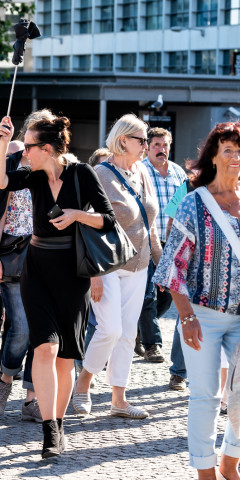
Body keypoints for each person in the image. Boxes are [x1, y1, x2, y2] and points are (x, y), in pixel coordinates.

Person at [153, 121, 240, 480]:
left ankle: (230, 465)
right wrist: (186, 316)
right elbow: (171, 266)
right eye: (228, 150)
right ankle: (205, 473)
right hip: (202, 314)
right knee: (206, 396)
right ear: (213, 155)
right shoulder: (194, 201)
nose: (236, 158)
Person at [0, 112, 116, 458]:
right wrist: (3, 141)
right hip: (37, 268)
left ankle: (59, 424)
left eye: (28, 147)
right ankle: (49, 431)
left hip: (73, 272)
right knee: (44, 348)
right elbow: (1, 180)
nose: (25, 154)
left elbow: (107, 219)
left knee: (64, 356)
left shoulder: (82, 174)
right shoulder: (31, 177)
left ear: (46, 148)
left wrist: (77, 215)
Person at [74, 115, 161, 419]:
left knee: (127, 334)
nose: (146, 146)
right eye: (142, 140)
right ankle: (83, 382)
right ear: (123, 140)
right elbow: (86, 224)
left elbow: (151, 224)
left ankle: (118, 399)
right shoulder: (100, 173)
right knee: (109, 329)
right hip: (107, 265)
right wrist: (94, 275)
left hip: (139, 265)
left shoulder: (144, 172)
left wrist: (159, 262)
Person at [0, 133, 39, 422]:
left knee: (40, 331)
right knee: (21, 328)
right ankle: (6, 381)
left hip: (44, 258)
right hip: (13, 258)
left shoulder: (54, 170)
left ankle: (31, 398)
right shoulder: (12, 168)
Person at [137, 127, 188, 372]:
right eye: (157, 145)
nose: (162, 149)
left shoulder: (179, 173)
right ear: (147, 147)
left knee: (168, 295)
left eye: (165, 145)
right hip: (145, 240)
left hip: (173, 243)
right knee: (148, 293)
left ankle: (141, 328)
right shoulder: (141, 171)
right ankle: (152, 344)